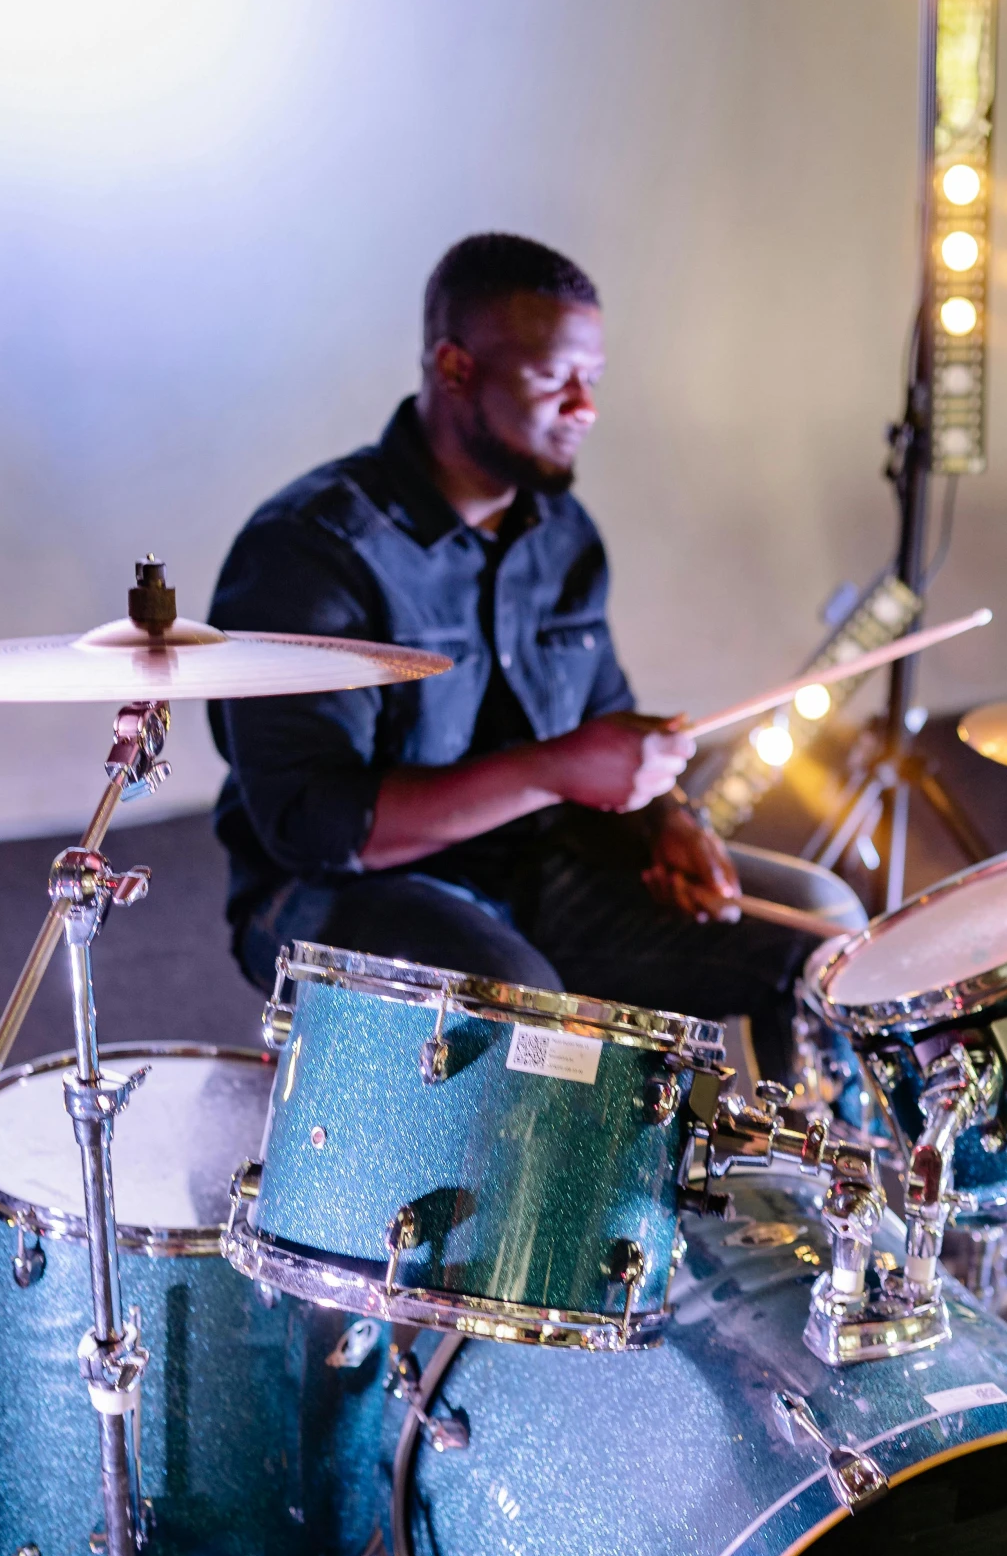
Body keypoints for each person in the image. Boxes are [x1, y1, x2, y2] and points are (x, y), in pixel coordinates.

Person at [207, 231, 815, 1070]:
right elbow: (315, 829)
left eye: (591, 379)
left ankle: (813, 1186)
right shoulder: (310, 550)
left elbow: (599, 718)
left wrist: (665, 820)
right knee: (520, 1014)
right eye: (550, 378)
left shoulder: (563, 535)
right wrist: (551, 770)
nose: (584, 406)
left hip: (535, 869)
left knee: (822, 937)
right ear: (455, 369)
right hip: (331, 894)